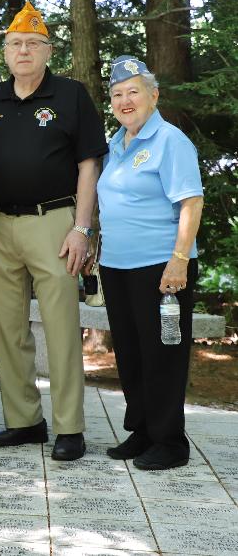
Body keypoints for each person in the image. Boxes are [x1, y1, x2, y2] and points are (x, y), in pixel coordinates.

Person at [0, 1, 107, 461]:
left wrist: (82, 228)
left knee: (61, 326)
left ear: (48, 51)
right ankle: (24, 421)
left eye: (33, 43)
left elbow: (89, 163)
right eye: (15, 44)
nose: (23, 50)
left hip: (55, 223)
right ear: (5, 54)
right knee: (7, 327)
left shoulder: (71, 95)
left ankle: (70, 427)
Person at [96, 55, 203, 470]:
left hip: (161, 268)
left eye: (133, 92)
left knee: (162, 354)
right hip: (118, 266)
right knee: (131, 352)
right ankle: (142, 431)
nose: (125, 101)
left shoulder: (171, 141)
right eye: (117, 94)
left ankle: (170, 442)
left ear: (153, 96)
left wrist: (179, 260)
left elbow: (191, 203)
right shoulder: (115, 144)